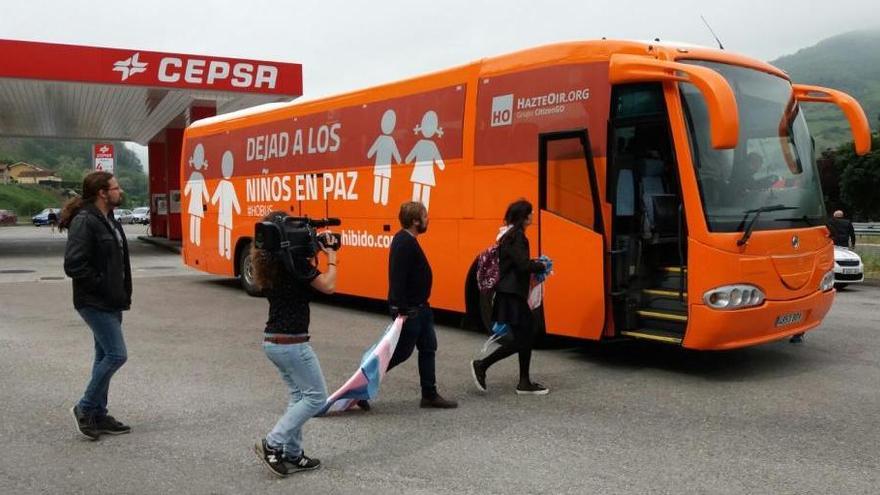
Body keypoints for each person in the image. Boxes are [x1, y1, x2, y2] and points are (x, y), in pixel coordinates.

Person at [252, 212, 338, 477]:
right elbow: (328, 286)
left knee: (299, 396)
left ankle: (293, 454)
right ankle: (273, 443)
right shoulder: (294, 263)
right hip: (292, 344)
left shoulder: (270, 262)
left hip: (274, 342)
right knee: (316, 398)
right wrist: (332, 256)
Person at [60, 171, 133, 440]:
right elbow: (74, 264)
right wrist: (103, 284)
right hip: (94, 301)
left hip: (112, 299)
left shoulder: (108, 218)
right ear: (102, 193)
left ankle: (98, 415)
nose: (119, 190)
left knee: (103, 356)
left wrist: (119, 291)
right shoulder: (85, 221)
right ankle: (85, 407)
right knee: (116, 355)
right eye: (115, 187)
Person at [380, 201, 457, 409]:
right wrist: (400, 309)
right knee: (401, 353)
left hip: (421, 308)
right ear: (415, 221)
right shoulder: (404, 242)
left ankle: (429, 394)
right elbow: (397, 277)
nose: (427, 219)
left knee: (428, 347)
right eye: (425, 216)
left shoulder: (407, 239)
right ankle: (363, 385)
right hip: (410, 310)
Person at [471, 200, 549, 395]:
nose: (532, 216)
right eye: (530, 213)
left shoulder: (509, 235)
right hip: (511, 294)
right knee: (526, 335)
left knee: (525, 335)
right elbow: (522, 264)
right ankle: (482, 365)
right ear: (523, 217)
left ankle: (524, 382)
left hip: (510, 293)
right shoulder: (517, 237)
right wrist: (541, 265)